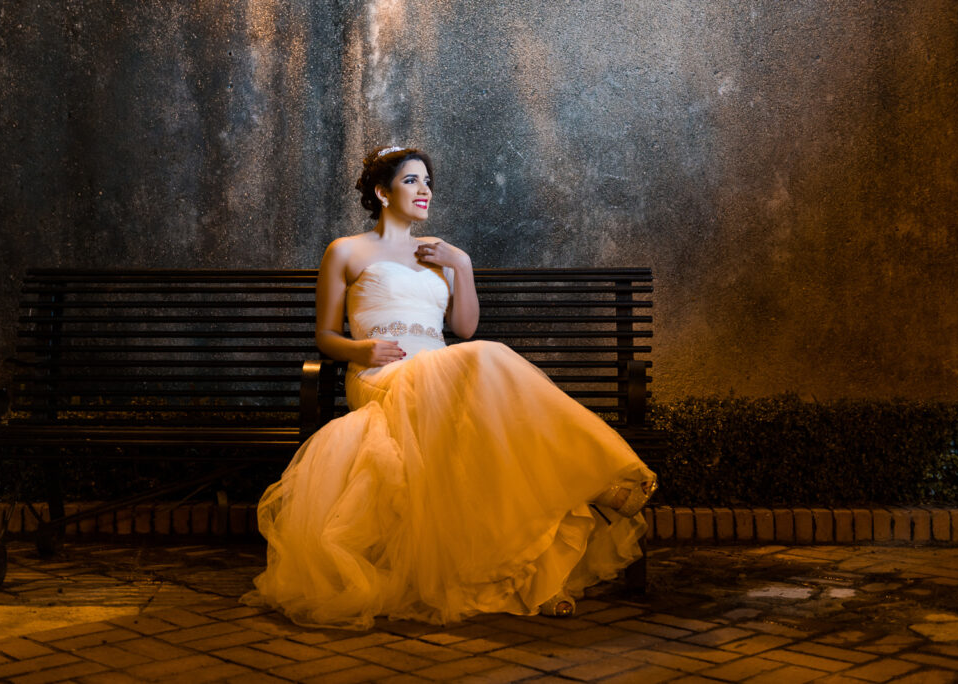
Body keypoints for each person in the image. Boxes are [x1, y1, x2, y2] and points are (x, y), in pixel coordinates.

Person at [243, 145, 656, 630]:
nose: (424, 191)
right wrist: (359, 352)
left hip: (441, 372)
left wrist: (462, 265)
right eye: (412, 181)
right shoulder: (346, 251)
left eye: (428, 182)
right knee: (488, 357)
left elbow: (464, 327)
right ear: (382, 191)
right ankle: (596, 476)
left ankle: (534, 576)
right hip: (381, 376)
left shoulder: (438, 252)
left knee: (487, 405)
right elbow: (325, 334)